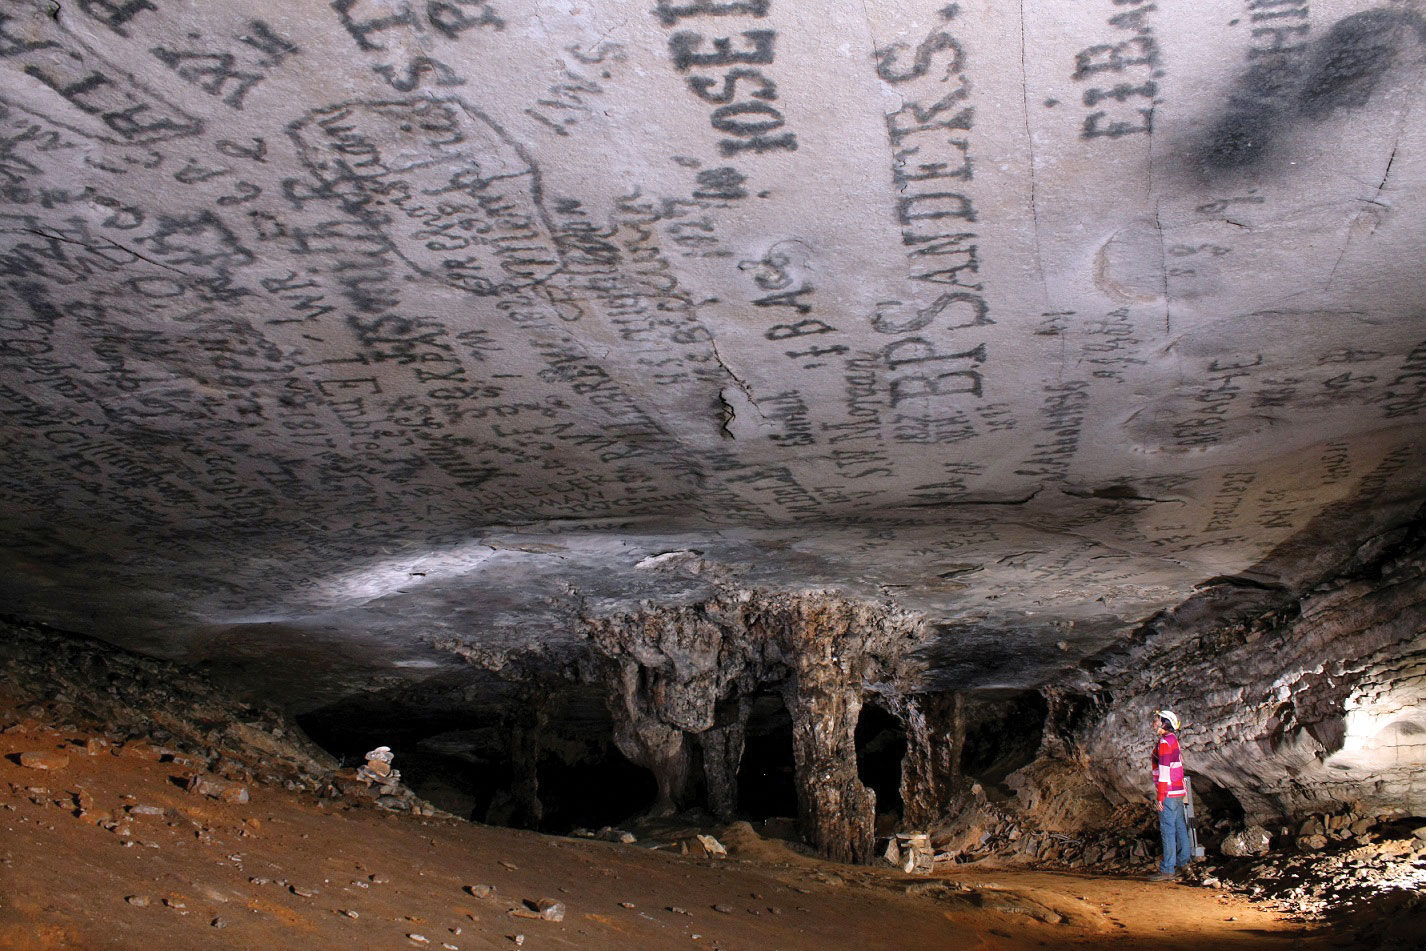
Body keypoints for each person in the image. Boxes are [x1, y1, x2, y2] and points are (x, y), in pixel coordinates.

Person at [1148, 709, 1191, 881]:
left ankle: (1167, 869)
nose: (1154, 723)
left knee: (1168, 829)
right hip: (1178, 791)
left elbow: (1164, 771)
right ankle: (1183, 862)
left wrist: (1160, 797)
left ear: (1165, 723)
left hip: (1169, 792)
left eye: (1157, 720)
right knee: (1180, 826)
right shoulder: (1173, 740)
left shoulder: (1165, 742)